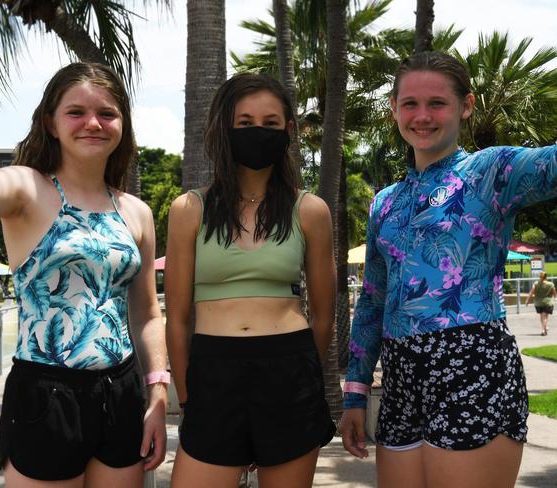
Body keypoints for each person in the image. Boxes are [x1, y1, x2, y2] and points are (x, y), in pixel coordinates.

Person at [0, 63, 168, 487]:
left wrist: (157, 391)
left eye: (107, 113)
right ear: (50, 122)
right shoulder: (24, 187)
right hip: (47, 393)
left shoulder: (136, 212)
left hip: (121, 391)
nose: (93, 123)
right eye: (76, 112)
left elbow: (147, 314)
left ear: (123, 124)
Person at [339, 51, 557, 488]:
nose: (422, 116)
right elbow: (373, 302)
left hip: (473, 364)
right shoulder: (385, 202)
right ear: (394, 110)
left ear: (466, 105)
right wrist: (355, 393)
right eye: (410, 104)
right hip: (401, 379)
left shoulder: (492, 171)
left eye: (437, 103)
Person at [165, 73, 336, 488]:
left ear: (288, 131)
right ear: (224, 127)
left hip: (289, 375)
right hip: (212, 375)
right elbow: (178, 319)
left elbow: (324, 318)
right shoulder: (189, 208)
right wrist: (188, 397)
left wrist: (296, 376)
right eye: (244, 123)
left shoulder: (310, 210)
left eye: (270, 124)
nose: (258, 132)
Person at [526, 271, 556, 336]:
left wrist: (527, 300)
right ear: (546, 277)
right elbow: (554, 293)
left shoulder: (536, 284)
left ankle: (544, 328)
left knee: (542, 316)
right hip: (548, 302)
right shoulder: (550, 284)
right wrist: (554, 297)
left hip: (538, 303)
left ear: (540, 277)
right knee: (545, 317)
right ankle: (544, 330)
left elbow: (531, 292)